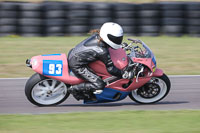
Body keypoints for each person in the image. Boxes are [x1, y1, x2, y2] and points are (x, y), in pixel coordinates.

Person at [68, 22, 134, 100]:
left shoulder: (99, 37)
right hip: (77, 64)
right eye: (115, 39)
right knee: (99, 85)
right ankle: (73, 89)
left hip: (77, 55)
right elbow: (111, 69)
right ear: (107, 36)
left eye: (119, 38)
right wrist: (123, 74)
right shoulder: (101, 51)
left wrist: (122, 46)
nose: (117, 40)